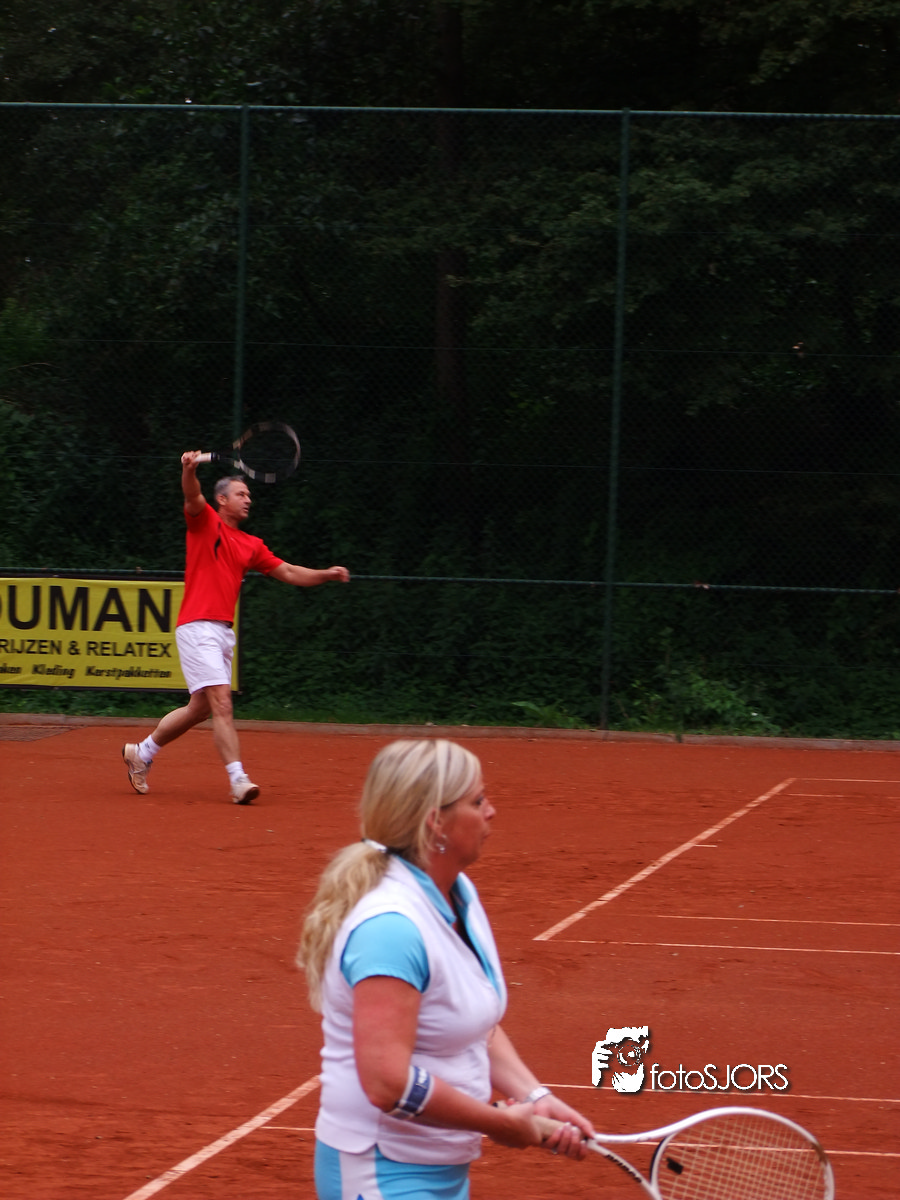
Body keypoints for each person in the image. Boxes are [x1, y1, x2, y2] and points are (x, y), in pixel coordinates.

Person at [298, 738, 596, 1200]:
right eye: (477, 801)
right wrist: (499, 1123)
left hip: (441, 1170)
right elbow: (387, 1083)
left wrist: (536, 1097)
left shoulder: (459, 894)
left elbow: (473, 1023)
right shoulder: (391, 930)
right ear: (436, 821)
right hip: (380, 1172)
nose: (491, 811)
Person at [121, 450, 350, 804]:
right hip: (197, 626)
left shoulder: (251, 545)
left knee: (200, 709)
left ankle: (142, 752)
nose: (248, 500)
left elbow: (289, 571)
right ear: (222, 500)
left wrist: (327, 574)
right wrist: (188, 469)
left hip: (222, 632)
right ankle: (238, 779)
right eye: (241, 494)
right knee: (223, 704)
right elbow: (191, 494)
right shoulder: (204, 521)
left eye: (249, 495)